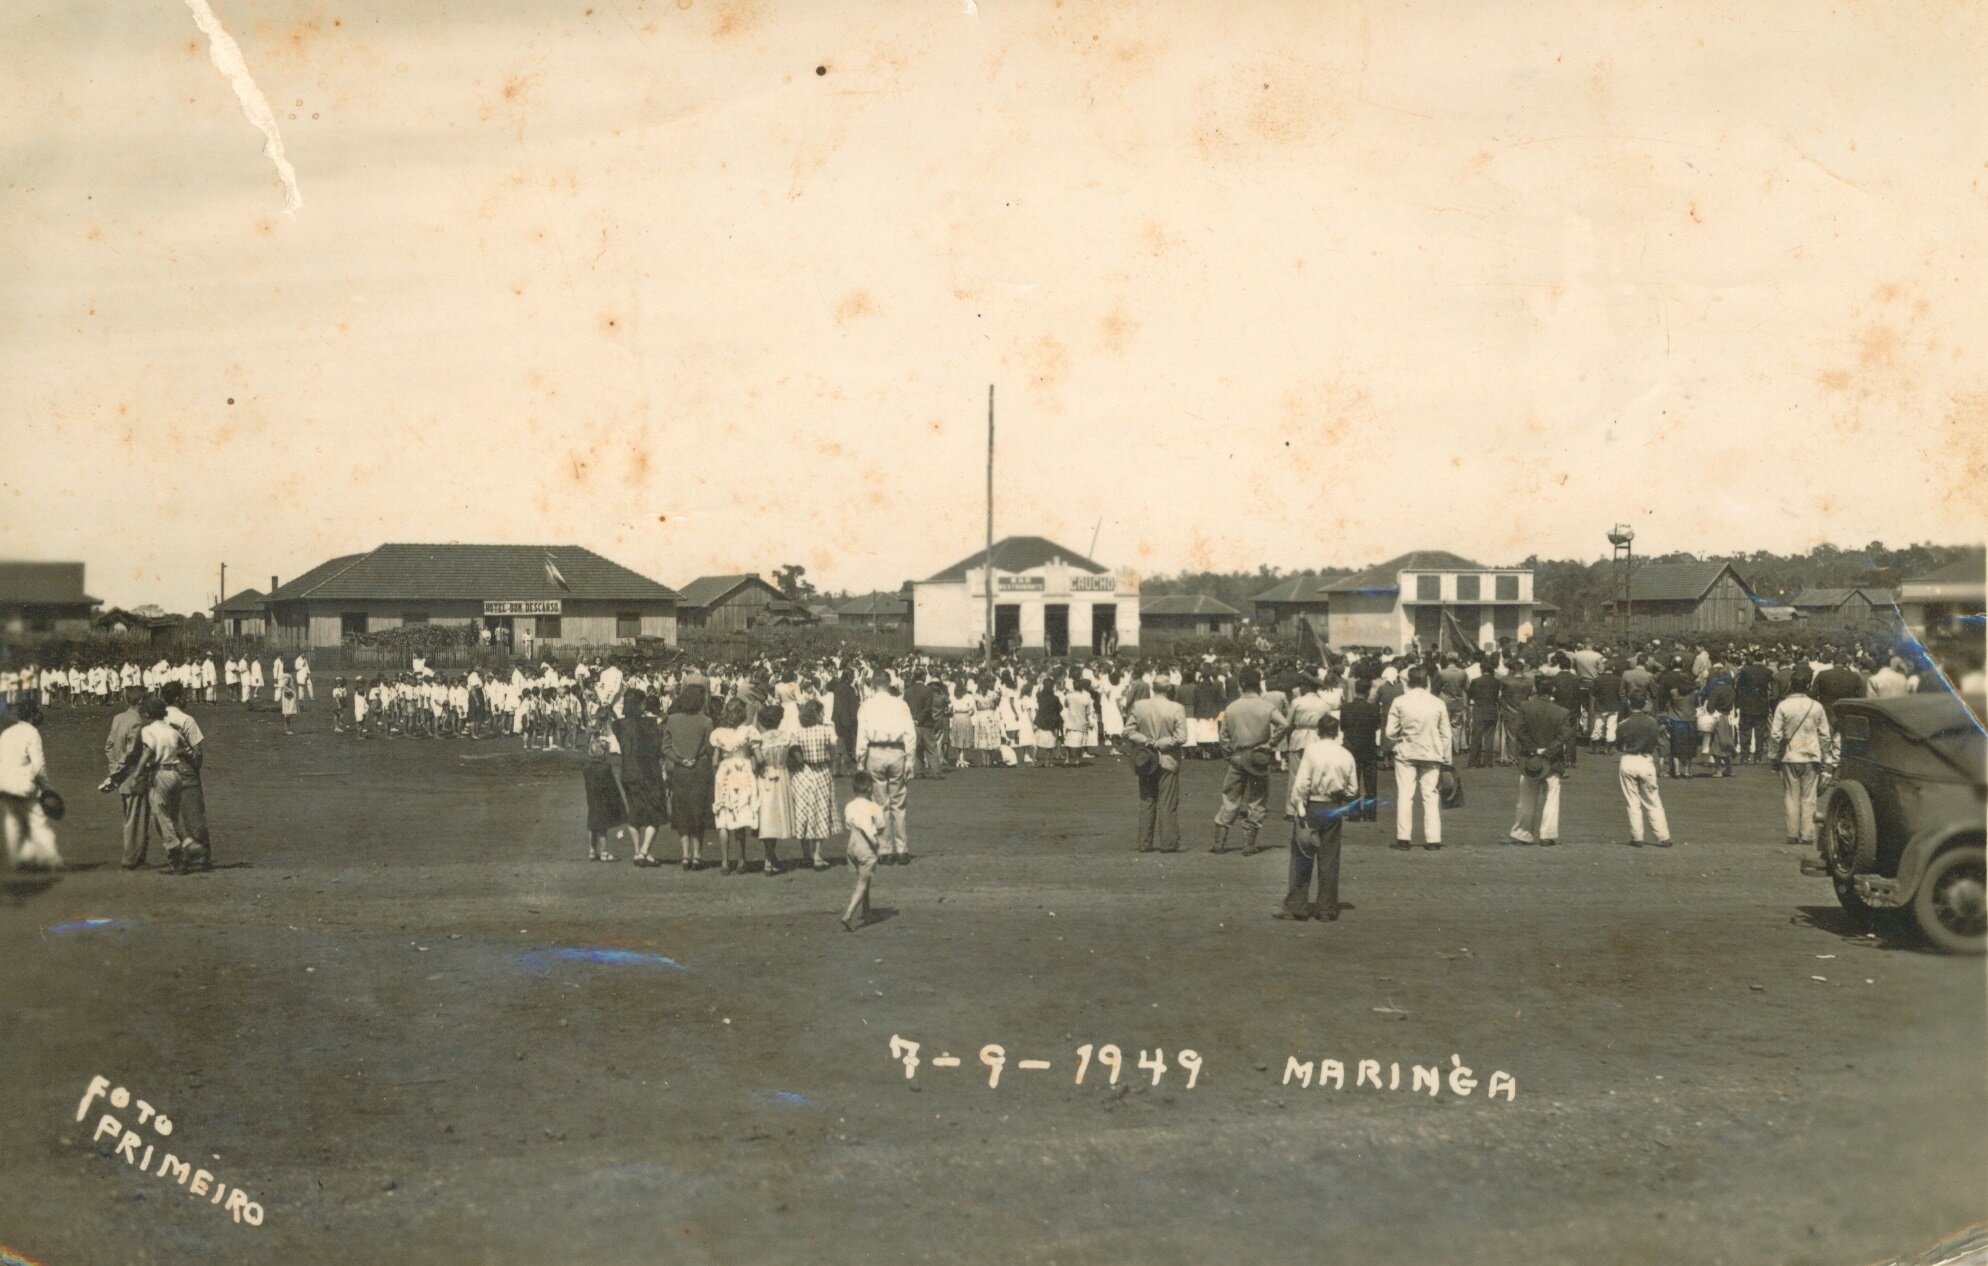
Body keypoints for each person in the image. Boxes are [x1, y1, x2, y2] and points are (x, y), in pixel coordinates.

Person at [1278, 714, 1359, 923]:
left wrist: (1299, 808)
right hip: (1333, 807)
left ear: (1318, 731)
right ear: (1337, 732)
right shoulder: (1346, 755)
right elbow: (1353, 789)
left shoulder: (1312, 751)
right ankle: (1327, 908)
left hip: (1312, 805)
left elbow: (1301, 784)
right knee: (1330, 858)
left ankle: (1298, 906)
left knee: (1302, 856)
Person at [1211, 667, 1289, 856]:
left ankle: (1220, 841)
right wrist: (1271, 744)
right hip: (1258, 757)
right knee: (1258, 798)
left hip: (1238, 755)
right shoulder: (1266, 706)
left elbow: (1223, 736)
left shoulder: (1232, 707)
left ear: (1241, 684)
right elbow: (1284, 724)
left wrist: (1228, 753)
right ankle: (1249, 842)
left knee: (1230, 797)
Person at [1384, 667, 1452, 850]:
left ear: (1409, 682)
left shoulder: (1399, 702)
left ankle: (1403, 838)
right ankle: (1433, 839)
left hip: (1406, 752)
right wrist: (1446, 759)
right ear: (1426, 682)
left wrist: (1396, 744)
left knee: (1405, 795)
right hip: (1431, 753)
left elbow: (1390, 732)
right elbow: (1446, 734)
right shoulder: (1438, 703)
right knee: (1430, 796)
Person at [854, 675, 917, 863]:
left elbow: (862, 735)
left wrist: (860, 761)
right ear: (889, 685)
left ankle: (885, 850)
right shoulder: (900, 705)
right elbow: (910, 734)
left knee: (880, 803)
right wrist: (910, 761)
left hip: (875, 751)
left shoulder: (866, 705)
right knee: (899, 803)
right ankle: (902, 849)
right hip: (897, 751)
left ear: (873, 686)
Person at [1121, 679, 1187, 853]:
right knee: (1167, 802)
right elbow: (1181, 738)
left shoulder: (1139, 706)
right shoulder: (1176, 708)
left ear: (1153, 688)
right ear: (1169, 689)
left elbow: (1128, 731)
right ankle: (1169, 843)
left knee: (1147, 800)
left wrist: (1146, 741)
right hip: (1168, 759)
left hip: (1146, 759)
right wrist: (1162, 743)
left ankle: (1144, 842)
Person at [1769, 667, 1832, 850]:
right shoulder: (1816, 706)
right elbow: (1825, 736)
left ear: (1791, 685)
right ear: (1807, 685)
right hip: (1811, 754)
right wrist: (1825, 756)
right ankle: (1807, 834)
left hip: (1790, 755)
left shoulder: (1783, 706)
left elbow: (1775, 735)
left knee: (1790, 795)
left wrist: (1773, 755)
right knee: (1809, 796)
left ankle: (1792, 833)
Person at [1505, 685, 1574, 846]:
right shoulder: (1562, 712)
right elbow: (1565, 735)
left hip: (1530, 761)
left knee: (1526, 799)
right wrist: (1548, 752)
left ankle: (1522, 833)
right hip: (1553, 760)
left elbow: (1519, 730)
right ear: (1553, 692)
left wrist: (1533, 749)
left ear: (1536, 690)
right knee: (1551, 798)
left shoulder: (1525, 707)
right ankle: (1547, 834)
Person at [0, 703, 62, 870]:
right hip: (24, 784)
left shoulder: (7, 732)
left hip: (4, 784)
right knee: (38, 820)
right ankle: (51, 859)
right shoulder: (32, 732)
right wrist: (47, 788)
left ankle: (19, 859)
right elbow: (39, 765)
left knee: (13, 821)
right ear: (32, 716)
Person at [159, 683, 212, 869]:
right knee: (194, 814)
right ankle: (201, 855)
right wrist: (195, 768)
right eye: (184, 696)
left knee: (170, 817)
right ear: (177, 699)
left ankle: (179, 855)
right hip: (185, 770)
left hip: (163, 770)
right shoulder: (187, 720)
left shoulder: (158, 720)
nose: (186, 699)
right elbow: (197, 752)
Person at [612, 687, 667, 867]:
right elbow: (657, 748)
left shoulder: (618, 725)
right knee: (655, 813)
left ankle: (638, 852)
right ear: (639, 704)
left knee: (634, 812)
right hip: (648, 773)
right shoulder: (650, 724)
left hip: (628, 772)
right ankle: (645, 850)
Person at [663, 684, 715, 869]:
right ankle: (697, 855)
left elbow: (666, 747)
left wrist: (680, 759)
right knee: (698, 813)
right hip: (700, 769)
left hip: (680, 771)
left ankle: (685, 855)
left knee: (682, 813)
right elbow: (710, 749)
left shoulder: (672, 720)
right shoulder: (706, 721)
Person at [710, 698, 760, 875]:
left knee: (723, 818)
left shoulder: (719, 733)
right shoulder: (748, 731)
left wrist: (725, 763)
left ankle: (724, 862)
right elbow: (757, 757)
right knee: (739, 817)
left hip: (726, 772)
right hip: (742, 773)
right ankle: (741, 859)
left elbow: (715, 761)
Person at [1614, 694, 1672, 847]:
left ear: (1629, 704)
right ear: (1644, 704)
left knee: (1632, 801)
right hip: (1646, 760)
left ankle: (1637, 837)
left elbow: (1618, 745)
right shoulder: (1653, 723)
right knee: (1652, 800)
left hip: (1628, 759)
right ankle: (1663, 836)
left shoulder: (1623, 724)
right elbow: (1655, 741)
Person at [789, 699, 840, 871]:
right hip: (821, 772)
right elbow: (834, 749)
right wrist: (832, 764)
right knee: (821, 813)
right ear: (817, 713)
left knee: (803, 813)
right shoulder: (827, 731)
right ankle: (817, 854)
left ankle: (806, 854)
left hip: (802, 773)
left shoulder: (797, 732)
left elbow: (794, 752)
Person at [103, 694, 153, 868]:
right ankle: (132, 858)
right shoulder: (137, 723)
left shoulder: (118, 718)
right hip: (134, 774)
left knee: (130, 815)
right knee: (136, 818)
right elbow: (131, 752)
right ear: (140, 701)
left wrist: (113, 769)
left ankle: (134, 857)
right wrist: (117, 771)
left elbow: (109, 746)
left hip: (122, 775)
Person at [750, 703, 794, 875]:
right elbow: (794, 756)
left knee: (767, 818)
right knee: (775, 817)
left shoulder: (759, 740)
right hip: (782, 776)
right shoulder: (786, 737)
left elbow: (757, 763)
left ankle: (769, 858)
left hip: (765, 777)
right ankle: (770, 858)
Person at [840, 771, 884, 932]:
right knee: (863, 882)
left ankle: (866, 909)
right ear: (869, 789)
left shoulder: (849, 806)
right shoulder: (874, 807)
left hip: (852, 844)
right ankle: (849, 914)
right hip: (867, 845)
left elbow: (848, 825)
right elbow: (881, 826)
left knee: (864, 877)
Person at [1338, 678, 1384, 822]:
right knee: (1370, 781)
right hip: (1368, 746)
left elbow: (1343, 726)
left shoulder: (1346, 707)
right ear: (1369, 691)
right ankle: (1370, 813)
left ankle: (1354, 812)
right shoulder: (1374, 708)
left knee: (1353, 781)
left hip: (1351, 746)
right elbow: (1377, 725)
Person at [582, 736, 626, 861]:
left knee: (592, 824)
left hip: (592, 798)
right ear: (602, 752)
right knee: (602, 827)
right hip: (604, 799)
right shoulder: (605, 768)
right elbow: (611, 786)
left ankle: (591, 850)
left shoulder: (587, 768)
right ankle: (604, 852)